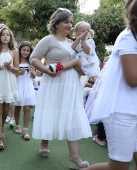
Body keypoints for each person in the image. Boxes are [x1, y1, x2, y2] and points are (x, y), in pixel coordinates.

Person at [29, 8, 92, 169]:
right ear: (57, 24)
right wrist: (46, 71)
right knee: (51, 112)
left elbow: (82, 65)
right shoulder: (48, 40)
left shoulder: (73, 43)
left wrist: (80, 67)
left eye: (71, 22)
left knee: (72, 117)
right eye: (66, 22)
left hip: (71, 86)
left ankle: (74, 158)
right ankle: (44, 143)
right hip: (53, 83)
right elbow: (34, 58)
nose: (70, 25)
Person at [84, 1, 137, 170]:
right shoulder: (129, 37)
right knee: (118, 166)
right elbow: (132, 79)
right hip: (121, 110)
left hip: (133, 108)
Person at [0, 27, 19, 150]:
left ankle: (1, 127)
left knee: (6, 109)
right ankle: (0, 137)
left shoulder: (14, 51)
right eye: (3, 35)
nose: (5, 36)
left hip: (9, 82)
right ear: (0, 37)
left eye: (8, 35)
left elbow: (16, 69)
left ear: (10, 38)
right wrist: (1, 66)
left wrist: (9, 67)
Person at [13, 41, 36, 140]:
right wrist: (19, 73)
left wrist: (32, 72)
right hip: (18, 85)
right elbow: (12, 76)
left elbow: (33, 76)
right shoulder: (16, 61)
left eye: (28, 50)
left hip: (28, 85)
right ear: (20, 50)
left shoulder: (31, 62)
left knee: (27, 108)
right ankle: (17, 125)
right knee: (17, 107)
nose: (25, 52)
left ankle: (25, 129)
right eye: (24, 50)